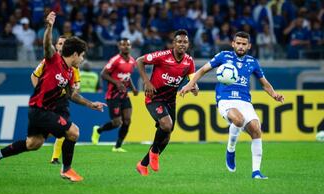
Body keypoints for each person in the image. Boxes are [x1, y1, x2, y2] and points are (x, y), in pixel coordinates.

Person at [0, 12, 106, 182]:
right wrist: (49, 26)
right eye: (82, 55)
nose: (83, 59)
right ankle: (67, 169)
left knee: (33, 144)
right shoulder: (54, 59)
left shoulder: (71, 72)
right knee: (73, 132)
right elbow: (47, 45)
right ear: (75, 54)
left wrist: (90, 104)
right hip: (40, 109)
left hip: (42, 111)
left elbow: (72, 94)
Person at [180, 31, 284, 179]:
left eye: (244, 44)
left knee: (256, 129)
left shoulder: (252, 62)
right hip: (225, 99)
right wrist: (189, 84)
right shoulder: (224, 56)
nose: (241, 46)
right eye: (238, 43)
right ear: (233, 44)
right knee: (239, 120)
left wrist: (274, 94)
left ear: (249, 46)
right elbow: (202, 70)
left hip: (245, 101)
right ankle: (231, 149)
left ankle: (256, 172)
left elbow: (264, 84)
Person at [135, 29, 198, 176]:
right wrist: (146, 82)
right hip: (154, 98)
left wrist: (194, 87)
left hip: (170, 101)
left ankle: (143, 164)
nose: (182, 44)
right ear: (174, 43)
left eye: (185, 42)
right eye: (179, 41)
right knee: (166, 124)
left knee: (167, 136)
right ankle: (154, 152)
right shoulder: (162, 56)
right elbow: (139, 61)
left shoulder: (189, 61)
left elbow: (192, 79)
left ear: (188, 44)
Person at [30, 35, 80, 165]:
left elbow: (75, 86)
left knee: (67, 128)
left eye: (65, 43)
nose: (62, 45)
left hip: (62, 101)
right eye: (60, 43)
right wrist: (42, 93)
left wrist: (75, 89)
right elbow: (34, 76)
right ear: (56, 46)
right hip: (48, 101)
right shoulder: (49, 60)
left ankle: (56, 158)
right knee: (63, 129)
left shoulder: (73, 66)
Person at [91, 38, 138, 152]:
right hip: (113, 96)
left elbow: (127, 76)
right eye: (123, 45)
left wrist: (133, 88)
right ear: (119, 46)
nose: (125, 46)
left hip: (124, 95)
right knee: (117, 123)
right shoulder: (115, 60)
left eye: (128, 44)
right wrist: (116, 82)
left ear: (131, 47)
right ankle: (98, 130)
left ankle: (118, 146)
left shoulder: (132, 61)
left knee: (127, 120)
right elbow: (103, 74)